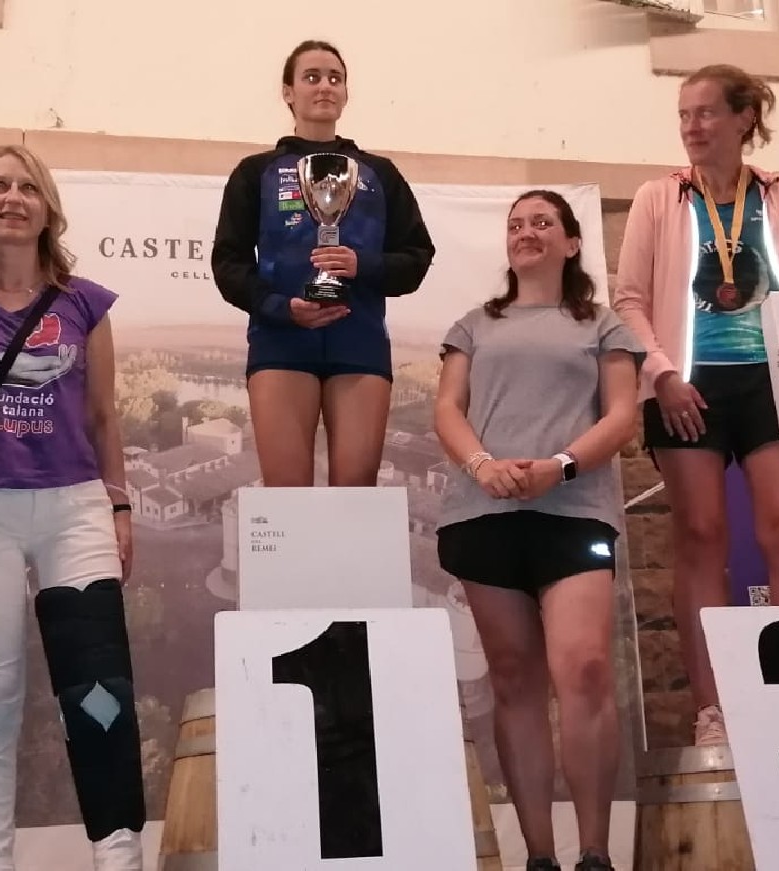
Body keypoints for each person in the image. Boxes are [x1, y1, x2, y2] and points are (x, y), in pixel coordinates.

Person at [0, 145, 144, 871]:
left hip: (75, 509)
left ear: (47, 208)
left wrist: (118, 506)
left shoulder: (85, 302)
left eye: (27, 187)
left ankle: (119, 857)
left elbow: (104, 416)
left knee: (99, 691)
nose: (12, 197)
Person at [611, 63, 779, 748]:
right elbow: (629, 301)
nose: (692, 127)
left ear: (745, 118)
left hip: (771, 379)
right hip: (688, 386)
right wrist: (662, 375)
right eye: (684, 114)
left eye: (706, 112)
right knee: (702, 536)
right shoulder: (659, 197)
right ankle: (712, 710)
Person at [434, 190, 641, 871]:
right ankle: (540, 856)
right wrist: (482, 465)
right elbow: (448, 410)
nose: (527, 232)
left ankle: (595, 852)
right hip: (483, 515)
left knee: (584, 668)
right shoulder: (473, 325)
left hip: (574, 513)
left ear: (571, 242)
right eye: (516, 224)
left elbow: (620, 416)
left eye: (542, 222)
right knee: (514, 679)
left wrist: (561, 465)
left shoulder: (604, 325)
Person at [212, 39, 437, 488]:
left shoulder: (379, 173)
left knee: (354, 496)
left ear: (346, 93)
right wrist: (281, 308)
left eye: (335, 78)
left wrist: (362, 265)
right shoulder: (255, 172)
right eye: (311, 77)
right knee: (287, 497)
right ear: (288, 92)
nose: (325, 86)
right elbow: (229, 263)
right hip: (280, 342)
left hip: (360, 342)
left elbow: (416, 257)